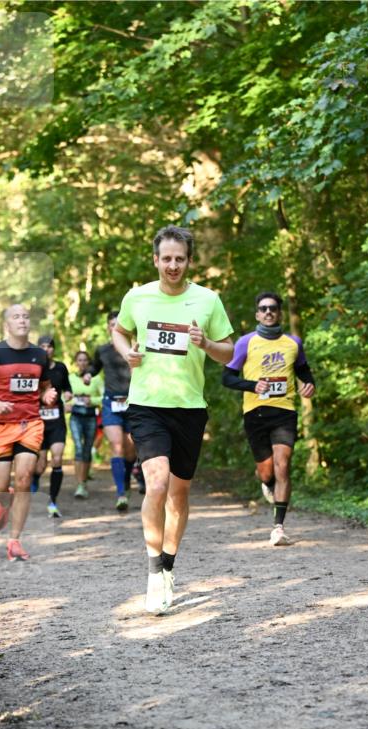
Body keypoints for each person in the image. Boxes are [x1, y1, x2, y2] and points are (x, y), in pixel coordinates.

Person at [111, 224, 234, 614]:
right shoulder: (137, 297)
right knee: (158, 483)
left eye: (180, 259)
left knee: (179, 496)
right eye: (166, 258)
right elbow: (119, 332)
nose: (173, 265)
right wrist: (126, 353)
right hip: (147, 404)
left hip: (190, 408)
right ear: (156, 260)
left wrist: (206, 343)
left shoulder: (208, 300)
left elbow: (229, 352)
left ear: (189, 261)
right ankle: (152, 574)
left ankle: (168, 565)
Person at [222, 291, 315, 546]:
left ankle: (278, 527)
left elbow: (304, 371)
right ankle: (267, 483)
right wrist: (253, 386)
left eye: (273, 308)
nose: (268, 312)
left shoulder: (293, 343)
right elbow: (227, 378)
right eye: (263, 308)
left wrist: (309, 385)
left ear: (279, 313)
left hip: (285, 411)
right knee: (266, 471)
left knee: (283, 465)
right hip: (256, 413)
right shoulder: (245, 342)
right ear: (257, 314)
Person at [0, 304, 56, 562]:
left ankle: (14, 540)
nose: (22, 320)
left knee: (25, 479)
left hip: (30, 424)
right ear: (7, 324)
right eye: (16, 317)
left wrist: (47, 395)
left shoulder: (39, 355)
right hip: (0, 426)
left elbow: (44, 387)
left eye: (26, 316)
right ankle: (3, 502)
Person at [84, 312, 139, 511]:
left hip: (132, 403)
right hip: (111, 404)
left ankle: (126, 479)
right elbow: (95, 367)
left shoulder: (135, 348)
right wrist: (88, 374)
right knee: (117, 447)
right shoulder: (103, 350)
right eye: (112, 324)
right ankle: (121, 494)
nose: (115, 327)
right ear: (108, 327)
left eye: (118, 323)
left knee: (130, 451)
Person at [31, 335, 72, 518]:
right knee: (40, 466)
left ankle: (53, 502)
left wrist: (68, 395)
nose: (46, 349)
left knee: (57, 458)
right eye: (42, 346)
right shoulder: (33, 368)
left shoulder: (61, 367)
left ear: (54, 349)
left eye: (49, 346)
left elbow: (67, 387)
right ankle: (33, 490)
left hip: (57, 421)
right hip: (38, 422)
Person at [68, 349, 103, 498]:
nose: (82, 363)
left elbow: (104, 397)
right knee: (78, 448)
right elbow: (64, 395)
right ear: (76, 362)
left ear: (89, 363)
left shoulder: (97, 379)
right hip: (75, 416)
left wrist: (92, 400)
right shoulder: (70, 378)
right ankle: (79, 485)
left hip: (90, 417)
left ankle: (83, 482)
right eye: (79, 360)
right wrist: (67, 403)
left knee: (87, 449)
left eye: (85, 360)